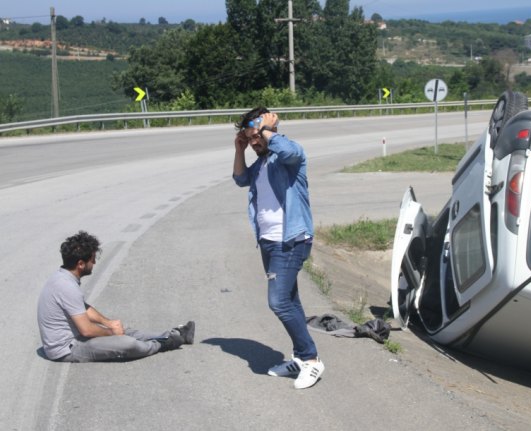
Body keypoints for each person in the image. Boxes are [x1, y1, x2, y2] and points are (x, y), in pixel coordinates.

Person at [232, 107, 324, 389]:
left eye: (258, 137)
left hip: (291, 240)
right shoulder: (260, 164)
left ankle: (311, 360)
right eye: (251, 139)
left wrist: (268, 131)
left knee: (278, 302)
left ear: (269, 131)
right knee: (290, 299)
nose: (255, 143)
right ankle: (299, 358)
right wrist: (239, 149)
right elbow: (240, 179)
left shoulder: (289, 154)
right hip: (269, 242)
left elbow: (289, 153)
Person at [37, 231, 195, 363]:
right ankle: (163, 344)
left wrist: (109, 324)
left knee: (124, 330)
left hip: (76, 338)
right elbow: (86, 330)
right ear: (80, 264)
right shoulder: (66, 286)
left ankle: (175, 334)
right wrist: (113, 334)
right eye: (92, 260)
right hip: (67, 349)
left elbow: (83, 308)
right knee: (127, 343)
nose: (94, 263)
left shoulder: (63, 278)